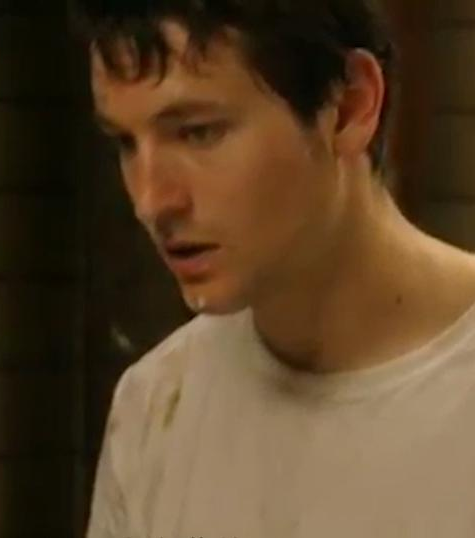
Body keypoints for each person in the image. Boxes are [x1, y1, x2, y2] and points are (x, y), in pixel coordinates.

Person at [76, 0, 475, 536]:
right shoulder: (154, 407)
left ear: (349, 107)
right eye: (126, 143)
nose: (151, 201)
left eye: (198, 132)